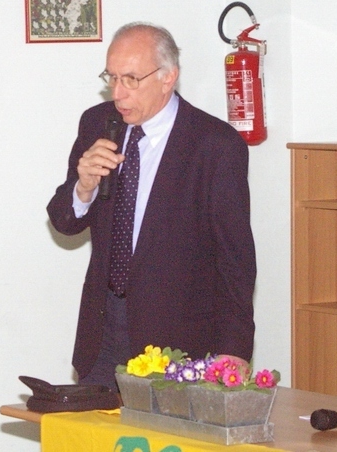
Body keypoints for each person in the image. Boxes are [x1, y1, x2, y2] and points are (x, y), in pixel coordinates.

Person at [47, 22, 257, 389]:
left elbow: (235, 259)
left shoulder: (215, 145)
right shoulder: (97, 123)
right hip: (102, 336)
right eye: (111, 77)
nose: (118, 92)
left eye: (131, 79)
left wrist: (234, 349)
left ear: (167, 77)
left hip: (179, 342)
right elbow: (64, 221)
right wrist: (83, 187)